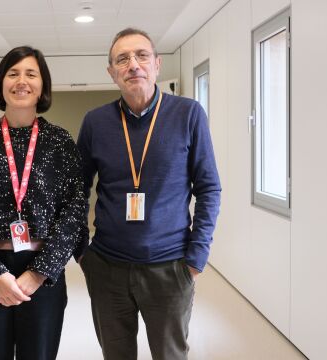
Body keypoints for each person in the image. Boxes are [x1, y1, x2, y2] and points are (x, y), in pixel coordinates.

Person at [76, 28, 221, 360]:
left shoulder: (188, 114)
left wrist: (196, 257)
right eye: (122, 59)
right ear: (112, 73)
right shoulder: (96, 122)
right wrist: (82, 251)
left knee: (170, 355)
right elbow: (77, 190)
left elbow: (209, 187)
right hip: (107, 267)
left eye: (141, 55)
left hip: (170, 268)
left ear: (156, 64)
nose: (133, 65)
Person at [0, 46, 87, 360]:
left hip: (43, 276)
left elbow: (74, 211)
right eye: (13, 73)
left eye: (31, 74)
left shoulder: (59, 141)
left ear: (42, 87)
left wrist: (37, 274)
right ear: (0, 84)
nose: (21, 81)